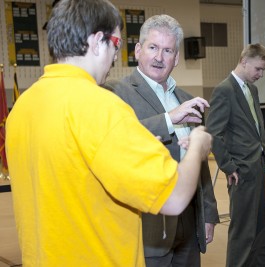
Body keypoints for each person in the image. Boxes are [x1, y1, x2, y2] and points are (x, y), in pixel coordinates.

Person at [5, 1, 212, 266]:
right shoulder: (102, 106)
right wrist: (197, 146)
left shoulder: (23, 106)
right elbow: (174, 197)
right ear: (96, 41)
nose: (116, 55)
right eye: (115, 43)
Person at [102, 14, 219, 267]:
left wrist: (208, 212)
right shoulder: (114, 92)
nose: (159, 57)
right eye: (153, 47)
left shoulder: (187, 99)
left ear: (176, 58)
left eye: (167, 50)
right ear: (138, 50)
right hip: (148, 223)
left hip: (189, 221)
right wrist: (169, 118)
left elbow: (199, 165)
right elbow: (120, 139)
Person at [206, 43, 265, 266]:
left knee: (263, 227)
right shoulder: (224, 90)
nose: (260, 75)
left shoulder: (252, 89)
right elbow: (214, 133)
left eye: (263, 70)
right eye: (258, 69)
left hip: (261, 167)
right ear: (244, 61)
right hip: (241, 172)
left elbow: (255, 127)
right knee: (242, 232)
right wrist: (229, 166)